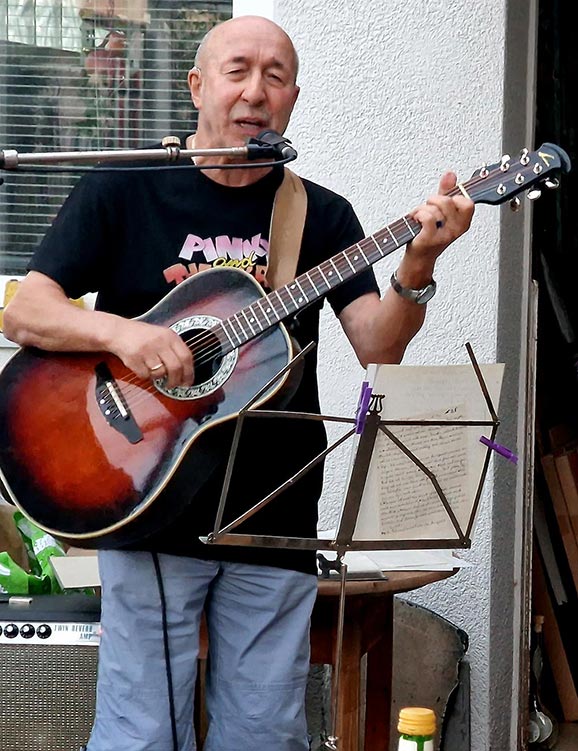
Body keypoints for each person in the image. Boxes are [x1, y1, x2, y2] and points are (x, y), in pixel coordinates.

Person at [3, 15, 474, 751]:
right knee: (142, 734)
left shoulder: (320, 215)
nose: (257, 91)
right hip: (147, 498)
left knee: (263, 734)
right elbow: (26, 312)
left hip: (272, 511)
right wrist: (126, 333)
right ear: (197, 86)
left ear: (292, 99)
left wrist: (419, 267)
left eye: (277, 76)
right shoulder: (124, 190)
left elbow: (379, 348)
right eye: (238, 70)